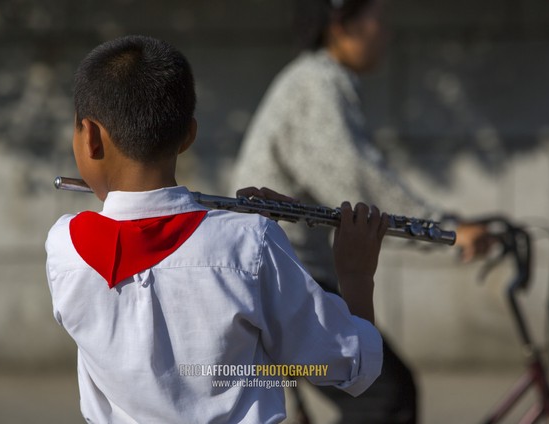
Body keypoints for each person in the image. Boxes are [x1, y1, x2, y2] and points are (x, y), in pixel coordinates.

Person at [46, 35, 391, 424]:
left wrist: (248, 238)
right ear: (189, 135)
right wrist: (357, 276)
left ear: (89, 137)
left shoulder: (64, 249)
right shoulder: (250, 246)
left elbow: (143, 241)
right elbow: (347, 362)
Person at [232, 0, 491, 422]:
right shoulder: (315, 82)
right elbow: (356, 181)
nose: (386, 34)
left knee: (383, 390)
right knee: (385, 397)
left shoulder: (322, 79)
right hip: (284, 277)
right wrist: (447, 230)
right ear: (340, 25)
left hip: (288, 273)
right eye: (378, 21)